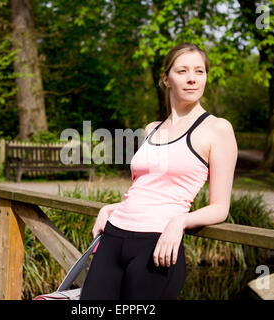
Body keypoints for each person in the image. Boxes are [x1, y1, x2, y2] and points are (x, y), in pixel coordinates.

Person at [79, 42, 238, 300]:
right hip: (112, 239)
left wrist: (180, 221)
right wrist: (112, 208)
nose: (192, 79)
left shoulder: (217, 130)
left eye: (199, 71)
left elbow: (220, 207)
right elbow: (147, 188)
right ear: (166, 79)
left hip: (156, 247)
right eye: (182, 71)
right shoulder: (151, 129)